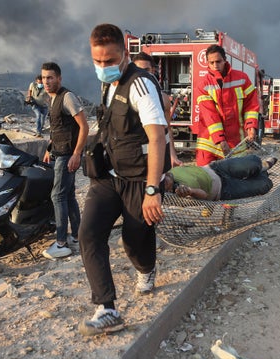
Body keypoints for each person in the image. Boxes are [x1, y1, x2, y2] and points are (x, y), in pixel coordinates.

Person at [78, 23, 169, 338]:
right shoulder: (108, 84)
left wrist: (153, 190)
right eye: (98, 61)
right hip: (109, 178)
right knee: (88, 234)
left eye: (109, 60)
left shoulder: (141, 86)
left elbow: (157, 139)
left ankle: (147, 268)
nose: (103, 67)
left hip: (139, 180)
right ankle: (107, 308)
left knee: (133, 242)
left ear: (125, 54)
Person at [40, 62, 89, 260]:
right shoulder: (51, 99)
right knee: (68, 195)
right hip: (58, 152)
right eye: (44, 78)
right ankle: (77, 236)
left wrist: (77, 154)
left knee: (57, 196)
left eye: (50, 77)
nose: (47, 81)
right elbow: (58, 128)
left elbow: (84, 127)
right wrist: (48, 148)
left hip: (68, 155)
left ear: (59, 78)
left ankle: (61, 243)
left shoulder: (67, 97)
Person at [194, 44, 260, 166]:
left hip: (236, 143)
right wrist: (220, 139)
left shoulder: (242, 79)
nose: (215, 65)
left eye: (218, 61)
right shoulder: (203, 85)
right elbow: (210, 115)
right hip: (209, 145)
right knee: (206, 181)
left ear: (225, 60)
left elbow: (251, 105)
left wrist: (251, 125)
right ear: (207, 63)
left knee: (237, 180)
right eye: (211, 62)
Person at [131, 51, 182, 168]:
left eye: (147, 70)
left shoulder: (163, 99)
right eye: (138, 69)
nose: (143, 74)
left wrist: (172, 155)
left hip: (154, 156)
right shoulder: (126, 97)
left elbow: (167, 129)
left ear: (153, 71)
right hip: (132, 158)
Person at [164, 155, 277, 201]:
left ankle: (262, 167)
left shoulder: (169, 172)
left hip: (216, 168)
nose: (165, 178)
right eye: (164, 183)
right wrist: (190, 191)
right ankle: (263, 172)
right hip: (223, 188)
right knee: (265, 184)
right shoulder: (178, 192)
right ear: (167, 189)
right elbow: (204, 195)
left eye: (164, 177)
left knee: (253, 162)